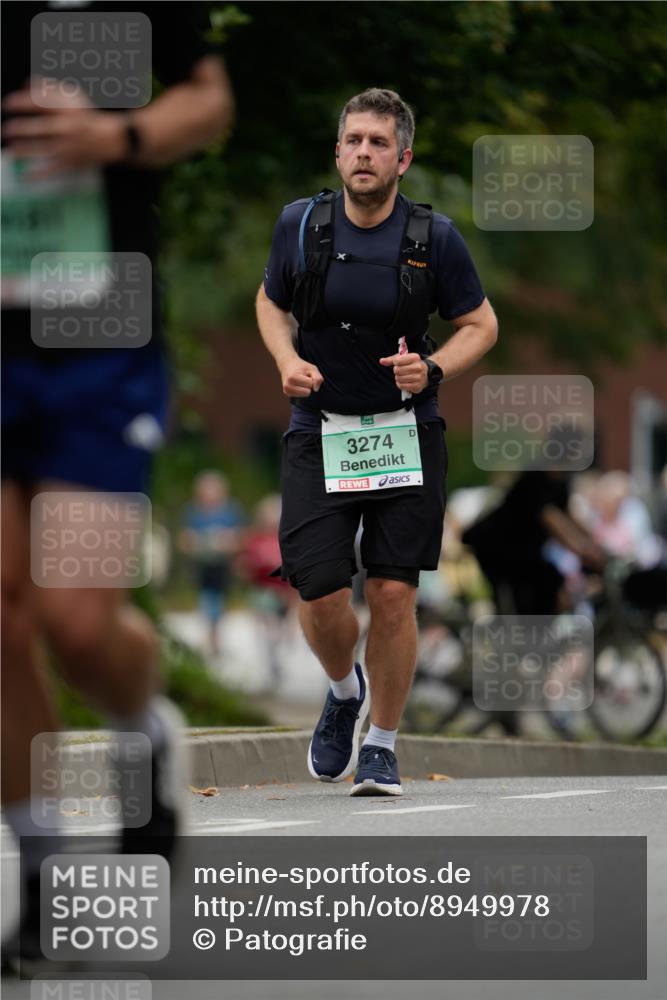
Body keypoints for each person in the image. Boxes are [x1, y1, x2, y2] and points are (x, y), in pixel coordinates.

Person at [1, 2, 233, 971]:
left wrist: (116, 135)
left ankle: (144, 731)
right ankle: (48, 876)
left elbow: (210, 105)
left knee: (77, 621)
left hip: (99, 339)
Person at [256, 88, 498, 796]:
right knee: (320, 589)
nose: (364, 152)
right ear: (337, 152)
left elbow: (481, 324)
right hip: (319, 433)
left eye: (378, 143)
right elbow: (270, 303)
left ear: (403, 158)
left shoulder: (433, 240)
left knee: (393, 593)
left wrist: (434, 367)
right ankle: (341, 692)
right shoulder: (299, 226)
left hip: (404, 433)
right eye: (353, 140)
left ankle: (384, 744)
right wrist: (284, 362)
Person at [179, 470, 245, 656]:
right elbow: (184, 540)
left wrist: (226, 541)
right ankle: (211, 635)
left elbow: (240, 538)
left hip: (223, 565)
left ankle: (215, 635)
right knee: (207, 600)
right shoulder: (193, 511)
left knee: (219, 601)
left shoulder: (230, 511)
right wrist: (194, 542)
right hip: (202, 565)